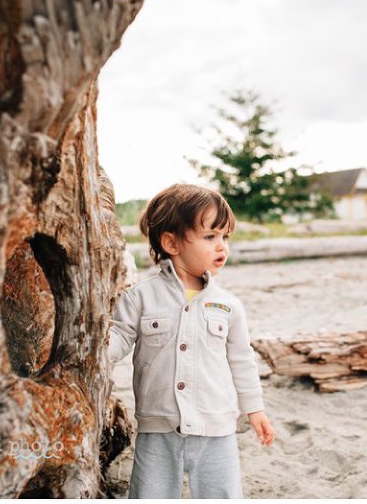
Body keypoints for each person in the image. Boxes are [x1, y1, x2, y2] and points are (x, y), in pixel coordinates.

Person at [109, 183, 274, 499]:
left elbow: (242, 360)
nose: (222, 246)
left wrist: (255, 409)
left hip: (217, 430)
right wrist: (91, 353)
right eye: (210, 237)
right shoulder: (140, 298)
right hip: (158, 428)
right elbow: (118, 338)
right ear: (171, 242)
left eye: (225, 237)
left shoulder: (228, 305)